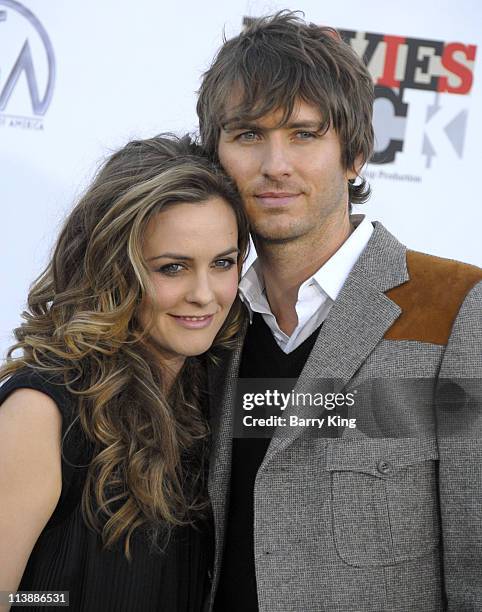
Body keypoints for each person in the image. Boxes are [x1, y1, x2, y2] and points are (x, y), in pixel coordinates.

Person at [196, 11, 482, 612]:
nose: (276, 164)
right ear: (214, 158)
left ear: (353, 154)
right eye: (248, 135)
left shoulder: (456, 308)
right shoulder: (204, 321)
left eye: (304, 133)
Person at [0, 134, 249, 612]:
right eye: (172, 268)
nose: (205, 294)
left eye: (223, 263)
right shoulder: (43, 411)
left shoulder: (213, 400)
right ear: (115, 268)